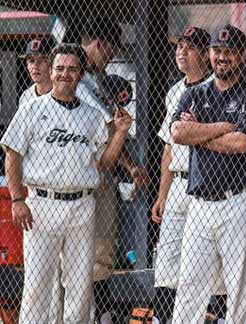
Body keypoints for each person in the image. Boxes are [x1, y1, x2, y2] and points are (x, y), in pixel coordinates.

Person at [0, 43, 132, 324]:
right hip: (41, 205)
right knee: (38, 285)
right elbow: (12, 155)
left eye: (72, 69)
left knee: (80, 286)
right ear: (52, 69)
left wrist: (120, 134)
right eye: (60, 68)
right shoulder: (32, 109)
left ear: (80, 73)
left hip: (82, 205)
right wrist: (17, 199)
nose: (64, 74)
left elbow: (103, 163)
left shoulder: (92, 116)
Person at [169, 24, 246, 324]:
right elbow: (178, 132)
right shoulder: (195, 92)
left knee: (239, 288)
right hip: (199, 202)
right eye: (217, 51)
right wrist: (222, 128)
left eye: (230, 52)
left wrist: (199, 134)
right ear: (209, 54)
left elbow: (244, 142)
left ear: (243, 56)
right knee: (189, 285)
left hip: (239, 199)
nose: (222, 57)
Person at [150, 26, 225, 323]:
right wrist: (161, 194)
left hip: (205, 182)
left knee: (212, 262)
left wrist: (195, 132)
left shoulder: (216, 87)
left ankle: (216, 317)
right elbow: (169, 148)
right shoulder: (174, 91)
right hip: (178, 183)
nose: (182, 51)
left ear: (205, 55)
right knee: (167, 260)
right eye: (179, 45)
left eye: (190, 47)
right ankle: (164, 319)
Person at [78, 18, 150, 323]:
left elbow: (110, 132)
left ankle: (100, 313)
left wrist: (130, 165)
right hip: (81, 173)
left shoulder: (97, 77)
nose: (111, 57)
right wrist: (131, 164)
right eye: (110, 50)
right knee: (90, 251)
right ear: (98, 43)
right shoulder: (78, 77)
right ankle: (94, 314)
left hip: (99, 169)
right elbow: (108, 128)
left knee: (101, 250)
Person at [18, 37, 57, 108]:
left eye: (41, 60)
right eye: (31, 61)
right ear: (27, 65)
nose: (35, 66)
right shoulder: (26, 96)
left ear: (51, 64)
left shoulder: (62, 93)